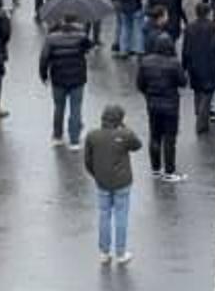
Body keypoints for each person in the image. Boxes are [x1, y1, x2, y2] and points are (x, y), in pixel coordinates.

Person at [84, 104, 141, 266]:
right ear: (119, 120)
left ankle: (104, 252)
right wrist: (126, 127)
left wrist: (96, 176)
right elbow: (137, 145)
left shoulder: (92, 135)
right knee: (121, 216)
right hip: (122, 182)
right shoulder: (125, 135)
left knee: (104, 215)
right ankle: (121, 253)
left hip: (102, 182)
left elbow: (88, 161)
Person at [137, 35, 188, 182]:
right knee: (169, 139)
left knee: (155, 136)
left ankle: (155, 169)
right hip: (171, 105)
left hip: (152, 104)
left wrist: (149, 94)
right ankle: (169, 171)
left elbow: (140, 84)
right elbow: (183, 82)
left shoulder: (146, 62)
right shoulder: (174, 63)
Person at [40, 14, 94, 149]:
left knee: (59, 107)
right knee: (76, 108)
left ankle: (57, 136)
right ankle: (74, 140)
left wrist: (44, 75)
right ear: (76, 22)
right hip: (77, 77)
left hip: (58, 77)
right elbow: (89, 48)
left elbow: (44, 58)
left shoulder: (51, 38)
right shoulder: (81, 36)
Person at [181, 3, 215, 134]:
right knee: (208, 93)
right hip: (211, 64)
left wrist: (184, 67)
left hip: (194, 64)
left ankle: (199, 112)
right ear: (209, 12)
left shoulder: (189, 28)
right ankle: (201, 121)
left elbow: (185, 49)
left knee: (197, 91)